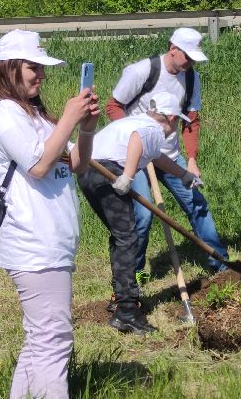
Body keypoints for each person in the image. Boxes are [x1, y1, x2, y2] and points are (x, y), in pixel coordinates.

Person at [0, 29, 100, 399]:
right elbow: (37, 165)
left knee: (40, 340)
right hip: (33, 244)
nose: (41, 76)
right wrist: (68, 118)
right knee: (54, 340)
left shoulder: (33, 114)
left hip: (52, 242)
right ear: (10, 68)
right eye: (34, 67)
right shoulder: (4, 114)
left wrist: (85, 127)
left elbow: (76, 163)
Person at [79, 91, 204, 335]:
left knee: (121, 235)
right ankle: (126, 311)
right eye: (176, 121)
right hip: (107, 170)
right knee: (128, 237)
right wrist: (127, 175)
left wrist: (184, 175)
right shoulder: (149, 128)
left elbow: (158, 159)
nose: (176, 127)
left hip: (87, 172)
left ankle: (121, 298)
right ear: (167, 118)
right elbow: (137, 140)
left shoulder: (136, 123)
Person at [106, 27, 228, 276]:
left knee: (197, 205)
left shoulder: (192, 78)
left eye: (195, 58)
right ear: (173, 49)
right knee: (143, 215)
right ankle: (134, 274)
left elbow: (191, 120)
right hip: (137, 157)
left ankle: (221, 265)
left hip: (170, 156)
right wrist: (136, 139)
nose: (191, 62)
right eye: (188, 56)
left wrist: (191, 160)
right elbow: (113, 106)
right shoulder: (142, 71)